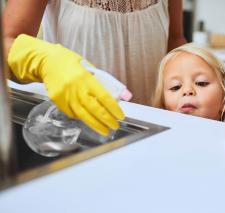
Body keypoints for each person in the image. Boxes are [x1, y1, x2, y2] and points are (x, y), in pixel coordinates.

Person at [4, 0, 186, 135]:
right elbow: (5, 42)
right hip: (78, 136)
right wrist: (43, 60)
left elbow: (175, 40)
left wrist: (189, 84)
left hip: (154, 133)